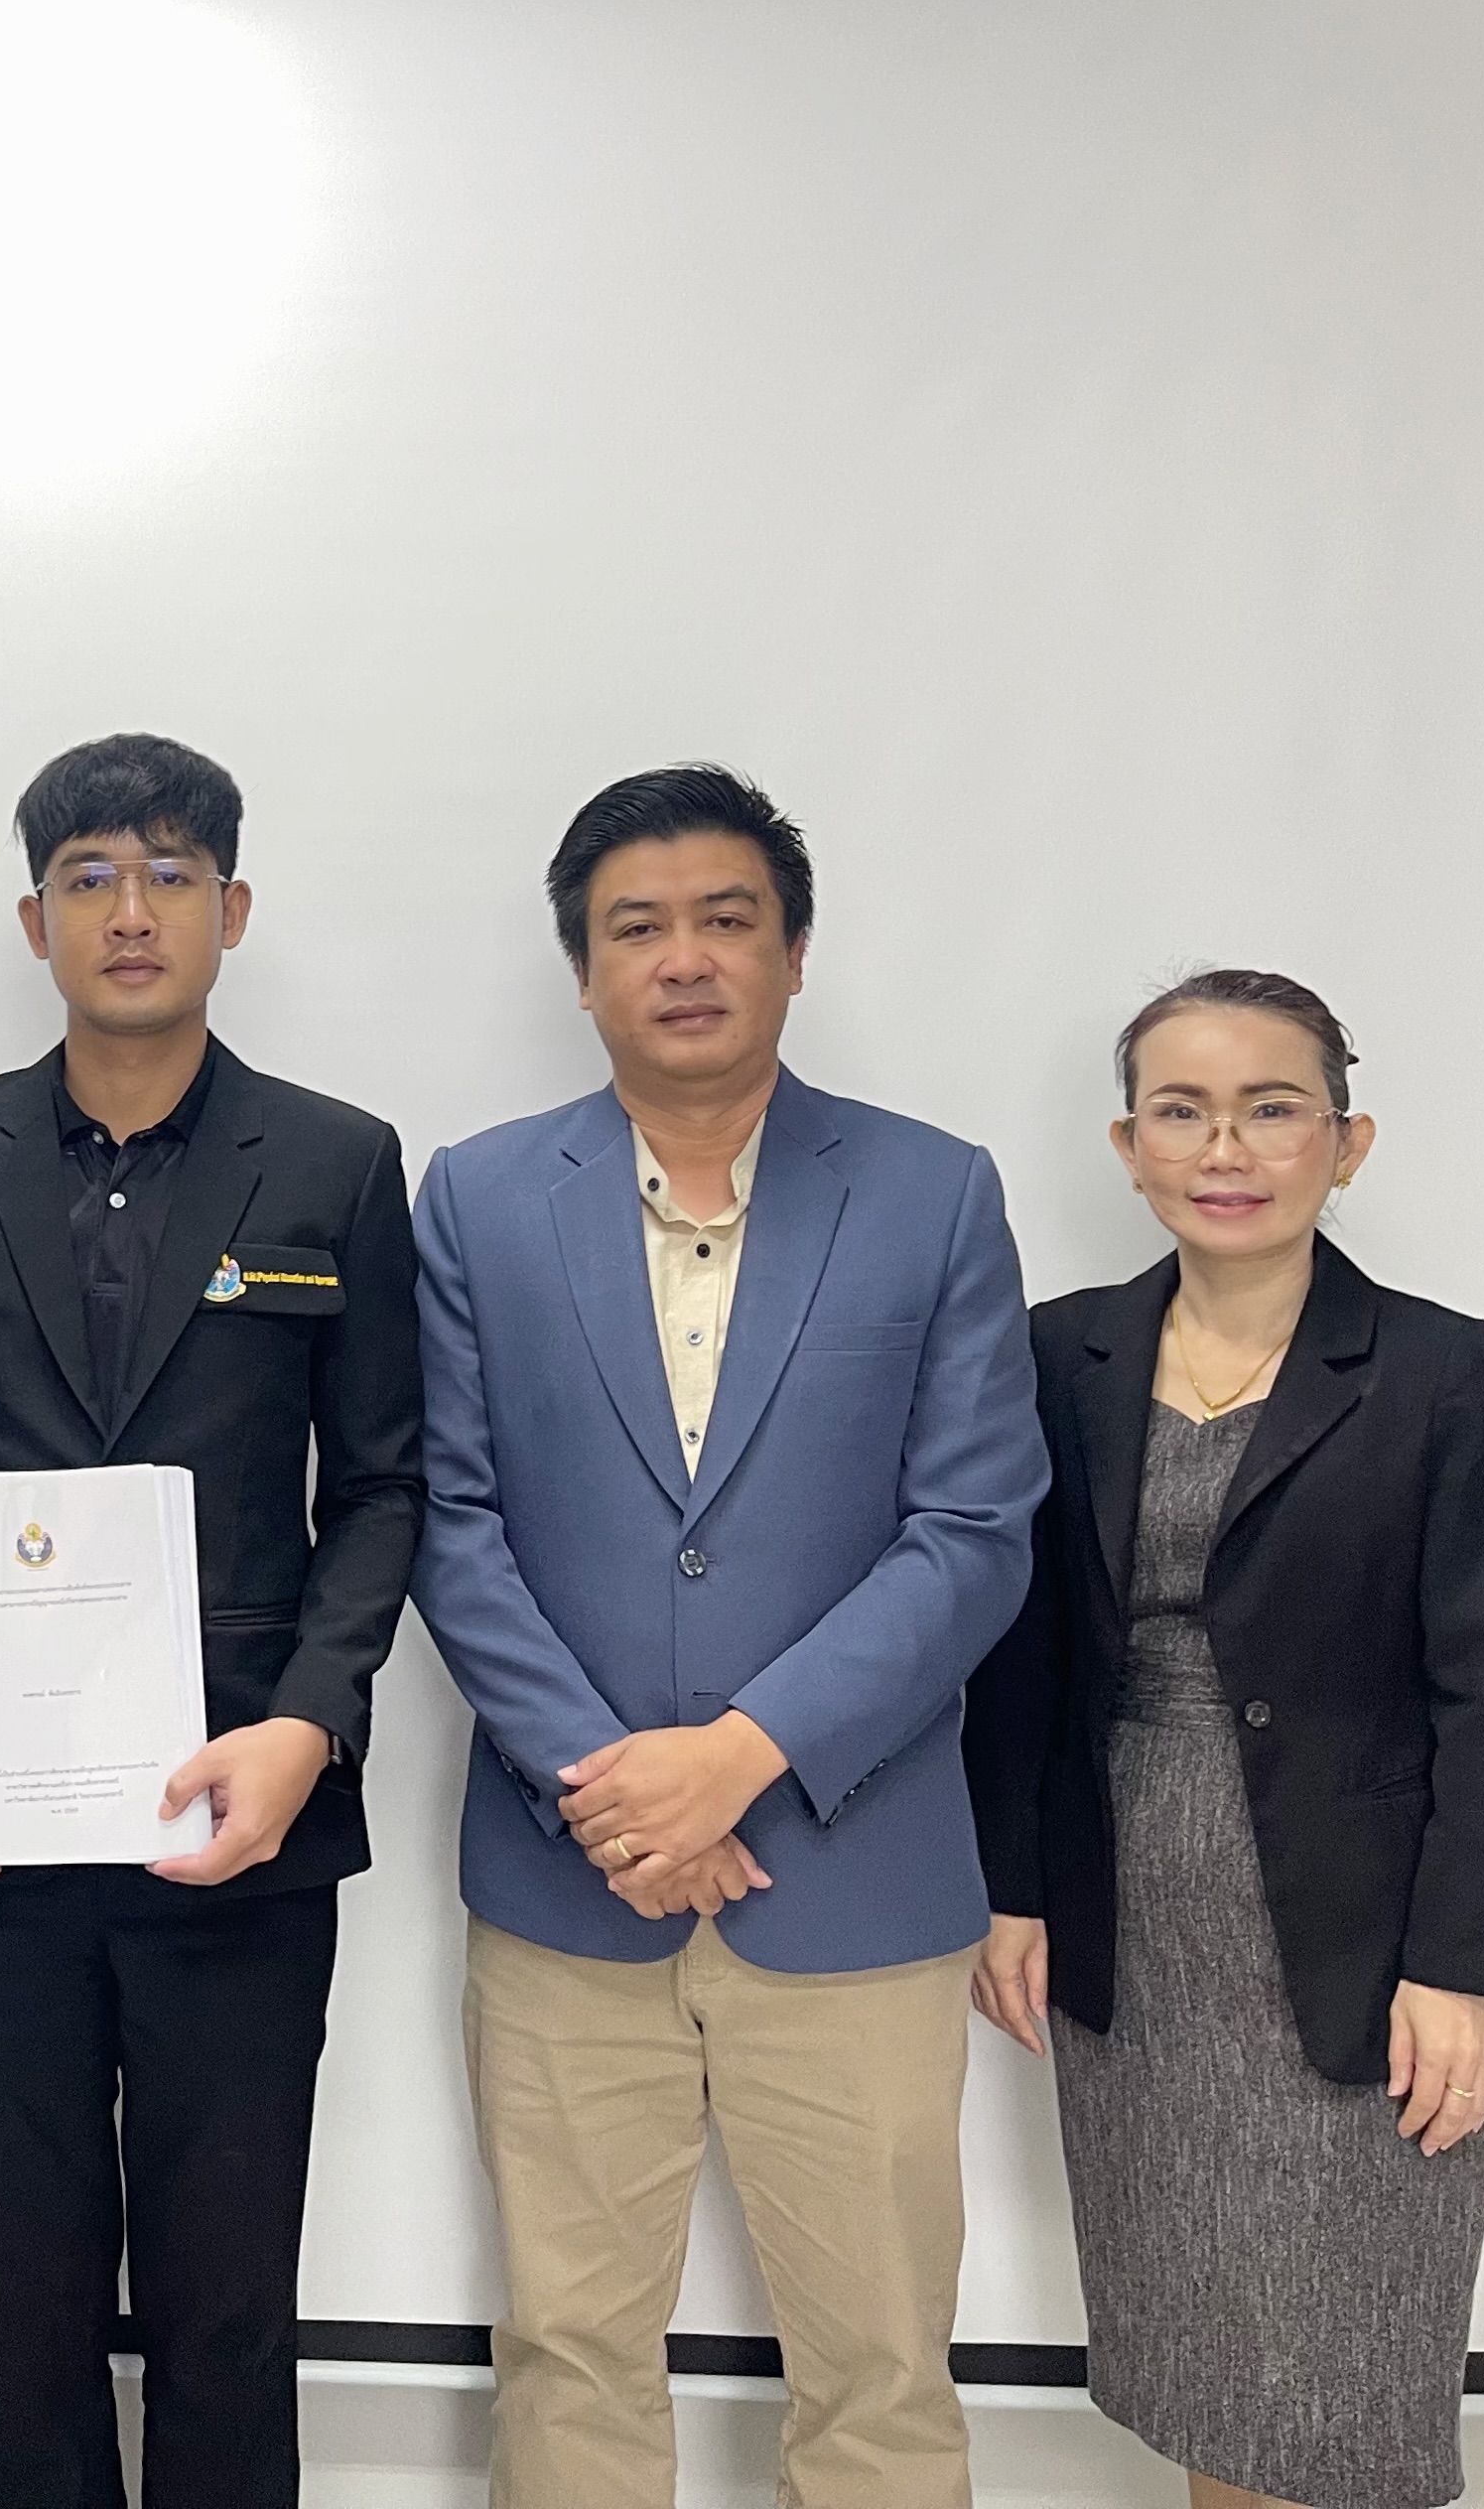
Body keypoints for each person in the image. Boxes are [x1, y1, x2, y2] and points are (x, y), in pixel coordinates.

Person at [405, 762, 1043, 2509]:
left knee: (882, 2374)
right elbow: (451, 1522)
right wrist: (612, 1789)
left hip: (853, 1881)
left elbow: (974, 1534)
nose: (683, 958)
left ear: (795, 951)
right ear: (583, 971)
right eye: (637, 928)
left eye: (725, 919)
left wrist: (740, 1759)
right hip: (571, 1884)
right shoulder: (478, 1196)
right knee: (568, 2355)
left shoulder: (932, 1191)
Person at [0, 732, 425, 2509]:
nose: (131, 909)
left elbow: (383, 1484)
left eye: (173, 873)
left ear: (232, 911)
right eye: (90, 876)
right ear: (35, 921)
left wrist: (309, 1720)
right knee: (18, 2306)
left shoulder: (333, 1159)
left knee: (226, 2309)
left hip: (239, 1815)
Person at [966, 970, 1484, 2509]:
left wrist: (1468, 1964)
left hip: (1361, 1930)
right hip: (1130, 1915)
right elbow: (1021, 1653)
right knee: (1203, 2362)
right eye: (1183, 1110)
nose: (1225, 1147)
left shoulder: (1440, 1369)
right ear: (1129, 1146)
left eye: (1272, 1108)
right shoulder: (1059, 1355)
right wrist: (1010, 1887)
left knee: (1347, 2384)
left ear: (1346, 1143)